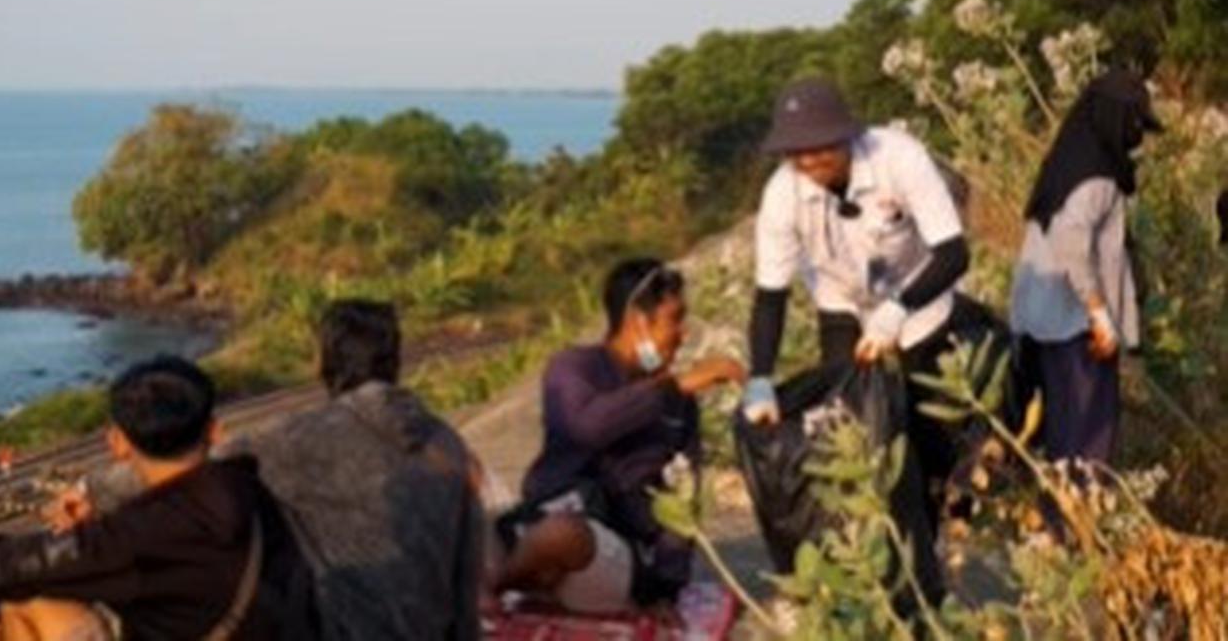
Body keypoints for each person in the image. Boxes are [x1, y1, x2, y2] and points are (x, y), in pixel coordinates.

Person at [0, 356, 319, 641]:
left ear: (118, 442)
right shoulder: (247, 488)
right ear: (214, 431)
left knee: (23, 599)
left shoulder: (137, 536)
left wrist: (80, 540)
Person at [742, 77, 975, 505]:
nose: (810, 161)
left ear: (847, 136)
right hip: (842, 298)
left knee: (928, 419)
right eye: (797, 153)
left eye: (821, 148)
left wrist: (898, 310)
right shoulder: (781, 196)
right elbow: (770, 296)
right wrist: (759, 376)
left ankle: (939, 501)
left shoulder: (898, 157)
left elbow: (954, 254)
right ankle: (875, 517)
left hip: (920, 293)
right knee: (849, 416)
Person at [493, 258, 745, 612]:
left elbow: (684, 497)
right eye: (675, 319)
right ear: (639, 324)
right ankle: (515, 584)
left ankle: (491, 593)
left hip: (608, 556)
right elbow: (587, 427)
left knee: (562, 535)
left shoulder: (680, 407)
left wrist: (665, 591)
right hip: (542, 521)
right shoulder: (571, 368)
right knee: (461, 497)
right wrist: (672, 387)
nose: (683, 334)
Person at [239, 299, 484, 640]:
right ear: (396, 361)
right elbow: (467, 573)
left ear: (323, 360)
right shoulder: (446, 441)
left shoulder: (294, 440)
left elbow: (193, 472)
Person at [1011, 69, 1162, 463]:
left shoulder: (1067, 161)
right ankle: (1079, 518)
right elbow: (1071, 244)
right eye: (1134, 123)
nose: (1138, 136)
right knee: (1088, 435)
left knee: (1062, 429)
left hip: (1044, 319)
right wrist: (1100, 315)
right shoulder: (1097, 178)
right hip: (1077, 324)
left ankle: (1058, 517)